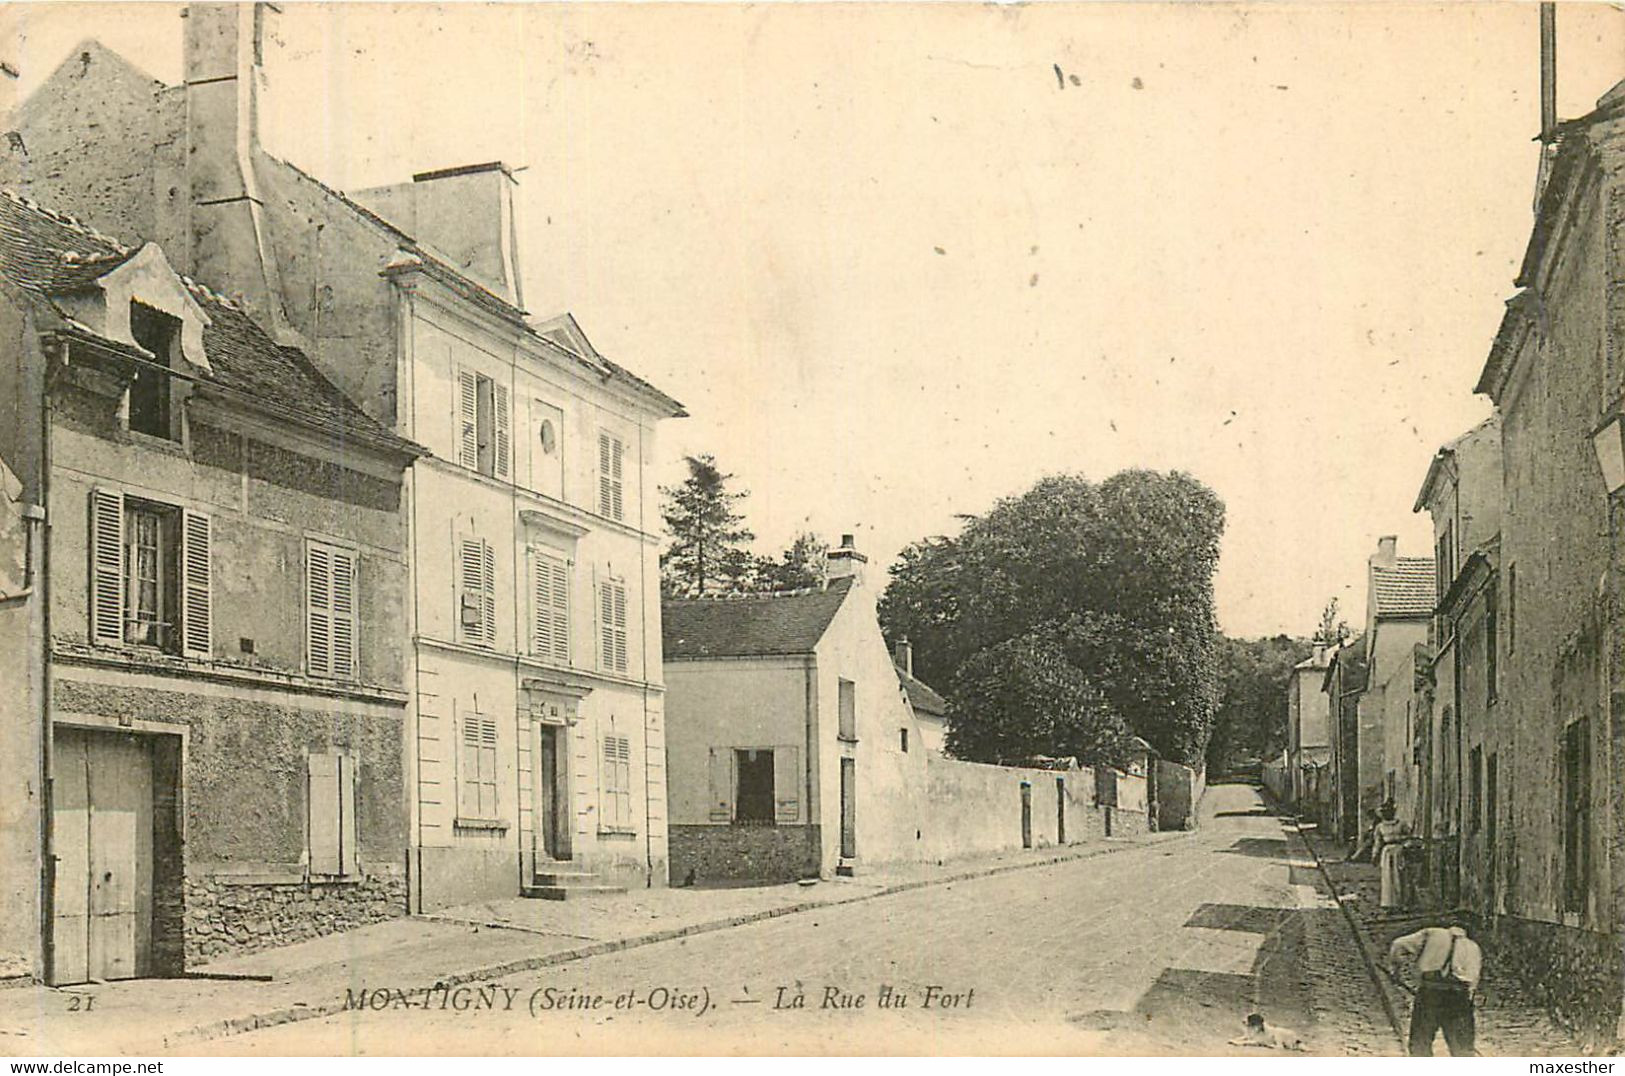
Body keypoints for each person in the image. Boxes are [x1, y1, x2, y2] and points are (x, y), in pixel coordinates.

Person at [1387, 916, 1483, 1056]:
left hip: (1430, 993)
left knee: (1420, 1042)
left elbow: (1398, 944)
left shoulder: (1432, 933)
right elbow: (1473, 981)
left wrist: (1395, 969)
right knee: (1462, 1049)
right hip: (1458, 997)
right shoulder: (1473, 947)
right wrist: (1466, 1004)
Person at [1373, 802, 1408, 910]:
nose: (1387, 814)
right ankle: (1388, 903)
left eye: (1389, 812)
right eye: (1384, 812)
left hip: (1399, 851)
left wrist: (1404, 845)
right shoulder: (1380, 827)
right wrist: (1375, 855)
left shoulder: (1401, 824)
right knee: (1387, 877)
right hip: (1387, 852)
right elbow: (1378, 842)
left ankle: (1402, 903)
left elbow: (1408, 836)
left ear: (1393, 812)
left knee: (1400, 876)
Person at [1227, 1012, 1307, 1051]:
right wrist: (1236, 1040)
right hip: (1286, 1038)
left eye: (1249, 1021)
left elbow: (1255, 1041)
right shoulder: (1255, 1029)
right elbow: (1247, 1036)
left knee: (1278, 1032)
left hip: (1288, 1037)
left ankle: (1279, 1046)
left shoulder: (1265, 1029)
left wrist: (1240, 1043)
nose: (1246, 1023)